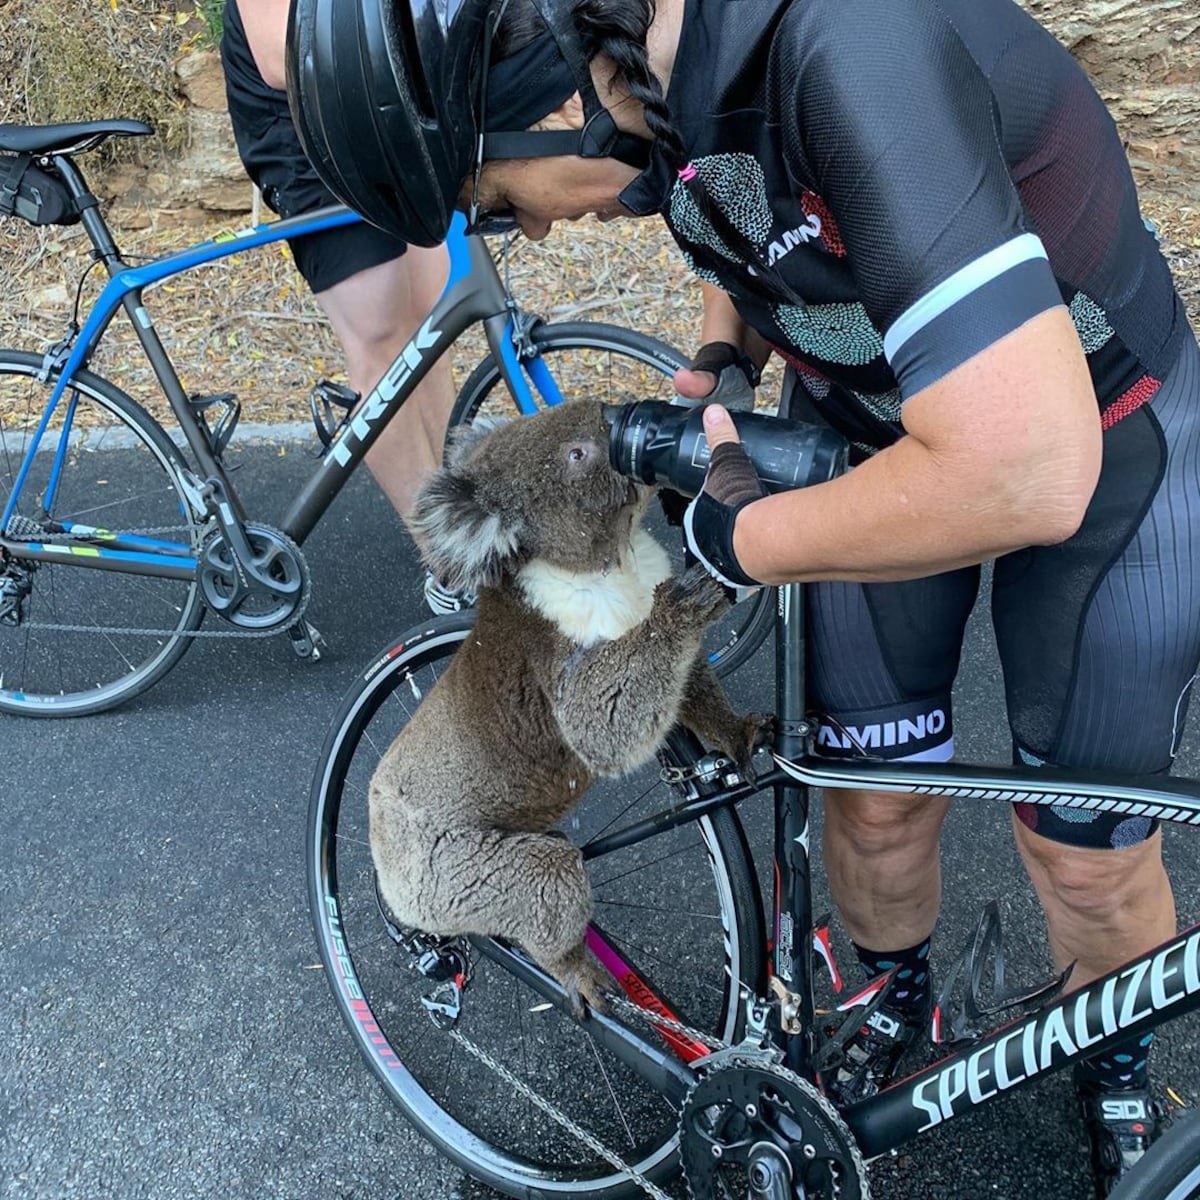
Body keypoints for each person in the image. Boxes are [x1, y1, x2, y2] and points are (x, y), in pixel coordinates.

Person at [287, 0, 1200, 1193]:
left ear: (548, 100)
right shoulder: (654, 83)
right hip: (868, 431)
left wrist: (742, 539)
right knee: (871, 803)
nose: (532, 236)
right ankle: (889, 997)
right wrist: (729, 344)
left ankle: (1114, 1057)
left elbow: (1025, 468)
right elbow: (746, 218)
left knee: (1083, 856)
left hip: (1106, 448)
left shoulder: (850, 51)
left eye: (496, 202)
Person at [219, 0, 469, 613]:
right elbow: (283, 58)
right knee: (380, 338)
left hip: (375, 117)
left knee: (430, 322)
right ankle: (448, 564)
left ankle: (449, 511)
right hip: (302, 132)